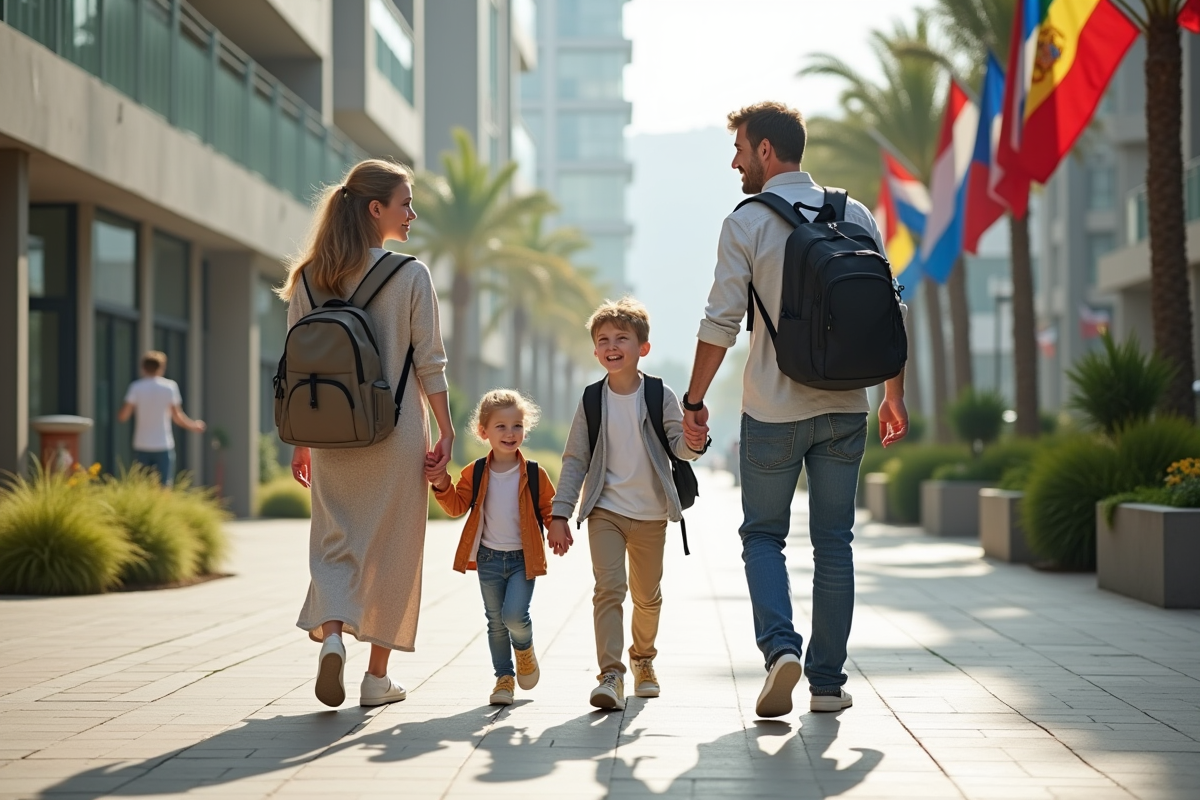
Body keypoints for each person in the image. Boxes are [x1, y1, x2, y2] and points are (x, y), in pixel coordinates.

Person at [682, 102, 909, 718]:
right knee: (835, 542)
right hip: (846, 407)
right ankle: (828, 683)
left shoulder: (748, 221)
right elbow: (889, 311)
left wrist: (695, 400)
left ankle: (781, 647)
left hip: (774, 409)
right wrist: (894, 394)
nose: (734, 161)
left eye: (740, 149)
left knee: (763, 536)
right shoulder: (853, 211)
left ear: (765, 151)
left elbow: (720, 321)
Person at [280, 159, 453, 708]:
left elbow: (296, 362)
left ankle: (332, 637)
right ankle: (376, 679)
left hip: (329, 430)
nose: (412, 212)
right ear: (375, 208)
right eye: (405, 202)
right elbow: (430, 361)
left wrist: (302, 440)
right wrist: (445, 432)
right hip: (396, 428)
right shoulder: (410, 274)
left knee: (336, 543)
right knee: (394, 549)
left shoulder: (310, 275)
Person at [550, 298, 702, 711]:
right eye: (603, 340)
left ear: (643, 348)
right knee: (609, 589)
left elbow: (679, 447)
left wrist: (694, 439)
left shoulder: (658, 394)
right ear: (595, 350)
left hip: (652, 514)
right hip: (606, 511)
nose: (612, 345)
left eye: (622, 338)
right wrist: (560, 512)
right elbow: (575, 459)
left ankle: (643, 660)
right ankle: (611, 674)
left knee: (647, 597)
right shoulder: (591, 399)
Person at [426, 390, 558, 706]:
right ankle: (504, 678)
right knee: (495, 623)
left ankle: (524, 649)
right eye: (501, 426)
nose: (510, 433)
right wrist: (442, 482)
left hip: (523, 559)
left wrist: (558, 527)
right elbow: (457, 505)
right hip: (487, 558)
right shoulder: (477, 471)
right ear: (483, 432)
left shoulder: (535, 474)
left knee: (514, 616)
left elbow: (550, 509)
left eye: (517, 426)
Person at [117, 350, 205, 486]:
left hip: (142, 444)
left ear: (143, 368)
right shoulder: (169, 387)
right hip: (163, 444)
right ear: (161, 367)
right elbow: (178, 417)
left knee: (141, 486)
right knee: (164, 486)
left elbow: (123, 416)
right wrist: (194, 425)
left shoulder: (136, 387)